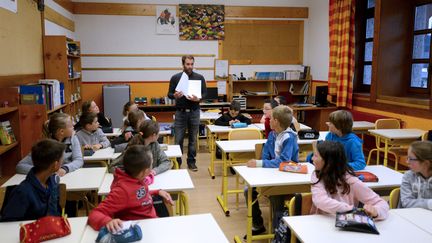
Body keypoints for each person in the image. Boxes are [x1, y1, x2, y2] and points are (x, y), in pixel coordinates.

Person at [88, 145, 174, 232]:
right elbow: (94, 214)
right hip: (141, 231)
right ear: (145, 172)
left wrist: (157, 192)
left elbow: (136, 196)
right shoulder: (122, 191)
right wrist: (108, 221)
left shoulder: (136, 178)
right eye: (151, 164)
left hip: (151, 224)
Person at [245, 105, 299, 236]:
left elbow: (284, 162)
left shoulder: (289, 137)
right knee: (248, 190)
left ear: (277, 122)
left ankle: (279, 233)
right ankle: (258, 225)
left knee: (275, 195)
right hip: (272, 173)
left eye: (272, 118)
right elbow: (266, 154)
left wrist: (260, 163)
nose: (269, 120)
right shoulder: (273, 134)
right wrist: (263, 166)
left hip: (288, 176)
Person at [310, 140, 389, 220]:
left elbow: (382, 204)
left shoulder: (351, 181)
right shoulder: (317, 176)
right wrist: (351, 210)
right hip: (321, 223)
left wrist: (375, 212)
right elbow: (321, 201)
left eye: (316, 156)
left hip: (346, 225)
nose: (312, 159)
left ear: (329, 162)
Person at [1, 139, 65, 222]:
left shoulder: (52, 182)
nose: (62, 163)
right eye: (62, 161)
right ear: (55, 165)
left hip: (51, 230)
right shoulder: (22, 192)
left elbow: (55, 211)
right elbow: (8, 224)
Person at [167, 55, 207, 171]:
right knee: (178, 139)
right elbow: (169, 94)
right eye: (187, 64)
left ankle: (191, 162)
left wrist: (198, 98)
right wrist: (174, 96)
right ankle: (177, 162)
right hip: (180, 113)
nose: (190, 66)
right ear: (183, 64)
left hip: (194, 112)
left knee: (193, 139)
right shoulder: (175, 77)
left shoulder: (199, 77)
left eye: (192, 64)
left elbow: (205, 94)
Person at [16, 113, 83, 175]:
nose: (74, 125)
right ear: (62, 131)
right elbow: (20, 166)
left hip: (69, 175)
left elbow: (79, 160)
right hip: (49, 180)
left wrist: (65, 169)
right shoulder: (44, 145)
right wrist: (45, 171)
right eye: (71, 125)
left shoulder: (73, 138)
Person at [399, 141, 432, 209]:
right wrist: (429, 204)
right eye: (407, 158)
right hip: (409, 216)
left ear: (426, 163)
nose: (407, 161)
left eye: (411, 159)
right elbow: (406, 202)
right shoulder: (408, 176)